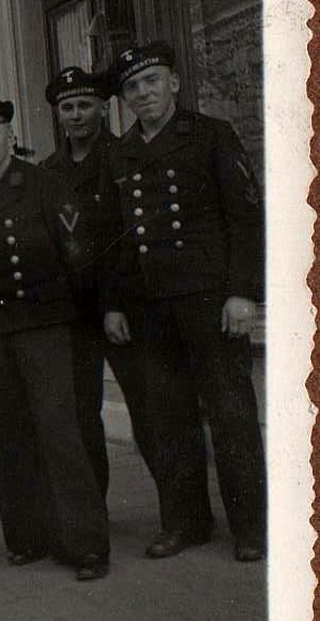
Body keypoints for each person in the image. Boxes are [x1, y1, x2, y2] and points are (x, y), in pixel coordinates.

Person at [103, 41, 266, 562]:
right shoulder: (121, 154)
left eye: (152, 81)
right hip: (151, 305)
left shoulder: (211, 136)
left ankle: (251, 526)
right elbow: (117, 238)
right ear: (124, 99)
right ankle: (186, 521)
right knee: (167, 420)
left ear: (173, 83)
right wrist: (115, 304)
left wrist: (242, 293)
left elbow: (244, 218)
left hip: (210, 300)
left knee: (230, 414)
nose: (143, 93)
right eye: (132, 87)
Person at [0, 98, 110, 580]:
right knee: (10, 434)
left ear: (8, 135)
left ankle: (85, 545)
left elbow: (78, 256)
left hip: (45, 325)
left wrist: (78, 318)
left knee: (59, 432)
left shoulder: (43, 184)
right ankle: (27, 537)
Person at [41, 67, 157, 498]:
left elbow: (132, 236)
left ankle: (178, 513)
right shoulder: (48, 172)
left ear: (104, 108)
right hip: (74, 314)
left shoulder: (124, 156)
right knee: (81, 414)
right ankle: (93, 513)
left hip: (125, 308)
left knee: (148, 409)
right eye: (67, 107)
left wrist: (116, 302)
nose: (76, 115)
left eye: (85, 105)